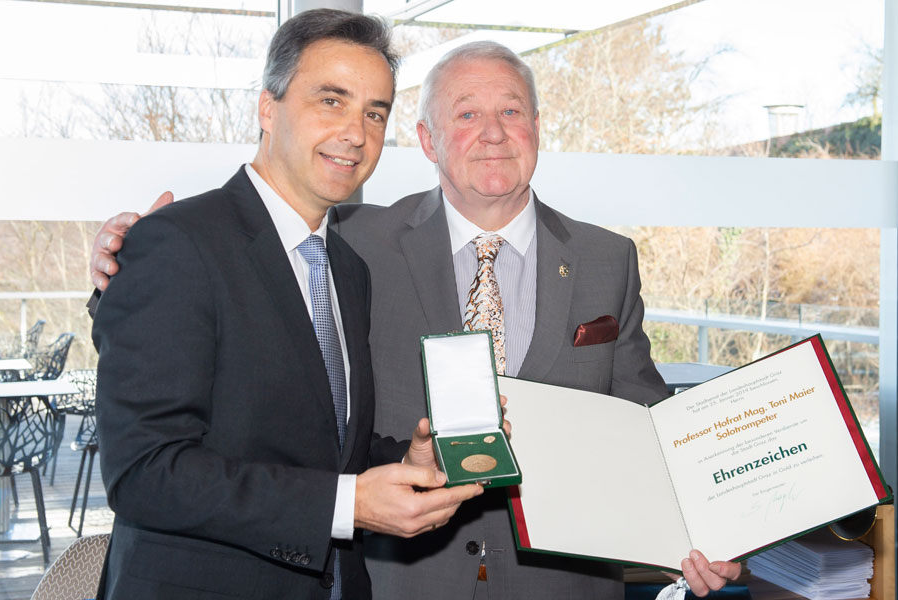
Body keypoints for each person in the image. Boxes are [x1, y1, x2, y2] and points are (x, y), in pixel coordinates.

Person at [90, 41, 742, 599]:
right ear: (427, 139)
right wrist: (123, 263)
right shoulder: (347, 240)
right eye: (466, 114)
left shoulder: (608, 258)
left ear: (537, 127)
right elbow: (225, 307)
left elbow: (646, 422)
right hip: (393, 580)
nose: (492, 132)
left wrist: (712, 526)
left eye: (511, 111)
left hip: (560, 582)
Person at [90, 10, 485, 600]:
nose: (356, 132)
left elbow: (315, 444)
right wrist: (348, 503)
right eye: (332, 100)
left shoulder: (348, 269)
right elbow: (145, 472)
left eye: (375, 112)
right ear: (267, 108)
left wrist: (405, 460)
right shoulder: (175, 241)